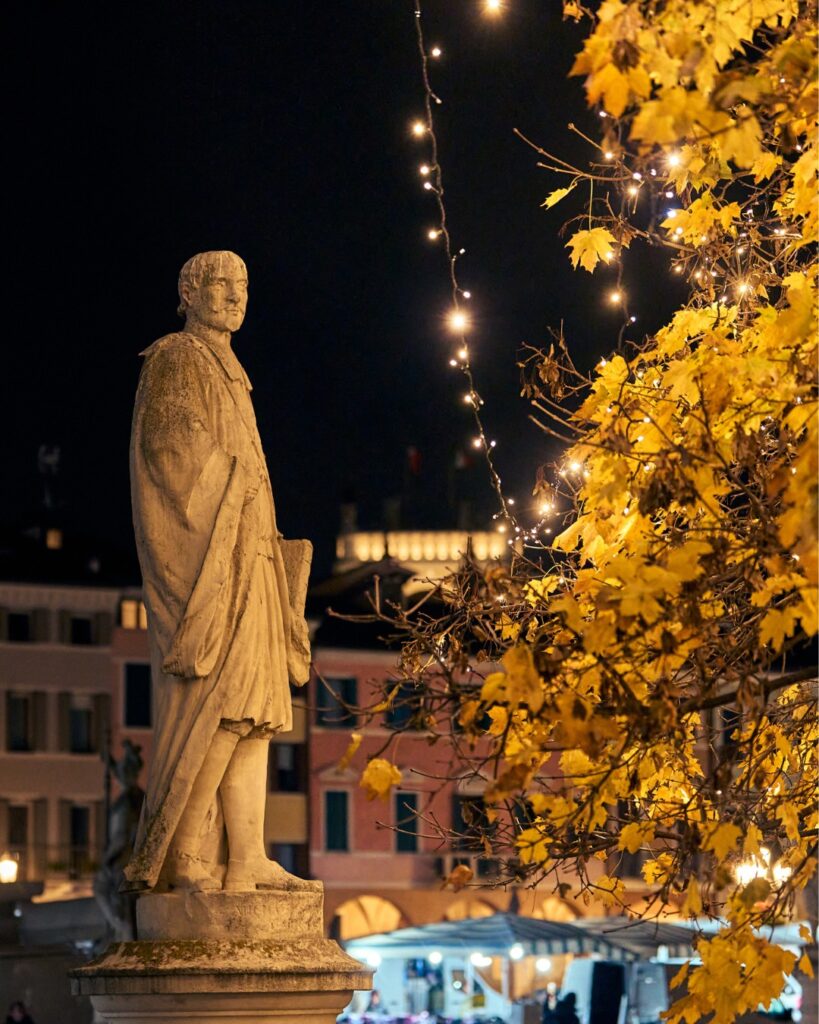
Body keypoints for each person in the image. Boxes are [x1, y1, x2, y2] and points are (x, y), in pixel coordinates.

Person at [123, 251, 313, 894]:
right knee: (224, 705)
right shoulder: (178, 358)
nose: (235, 295)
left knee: (259, 710)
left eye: (244, 286)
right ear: (189, 291)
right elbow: (174, 457)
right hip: (217, 563)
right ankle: (187, 857)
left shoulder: (231, 369)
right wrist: (236, 505)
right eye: (221, 284)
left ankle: (247, 856)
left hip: (253, 559)